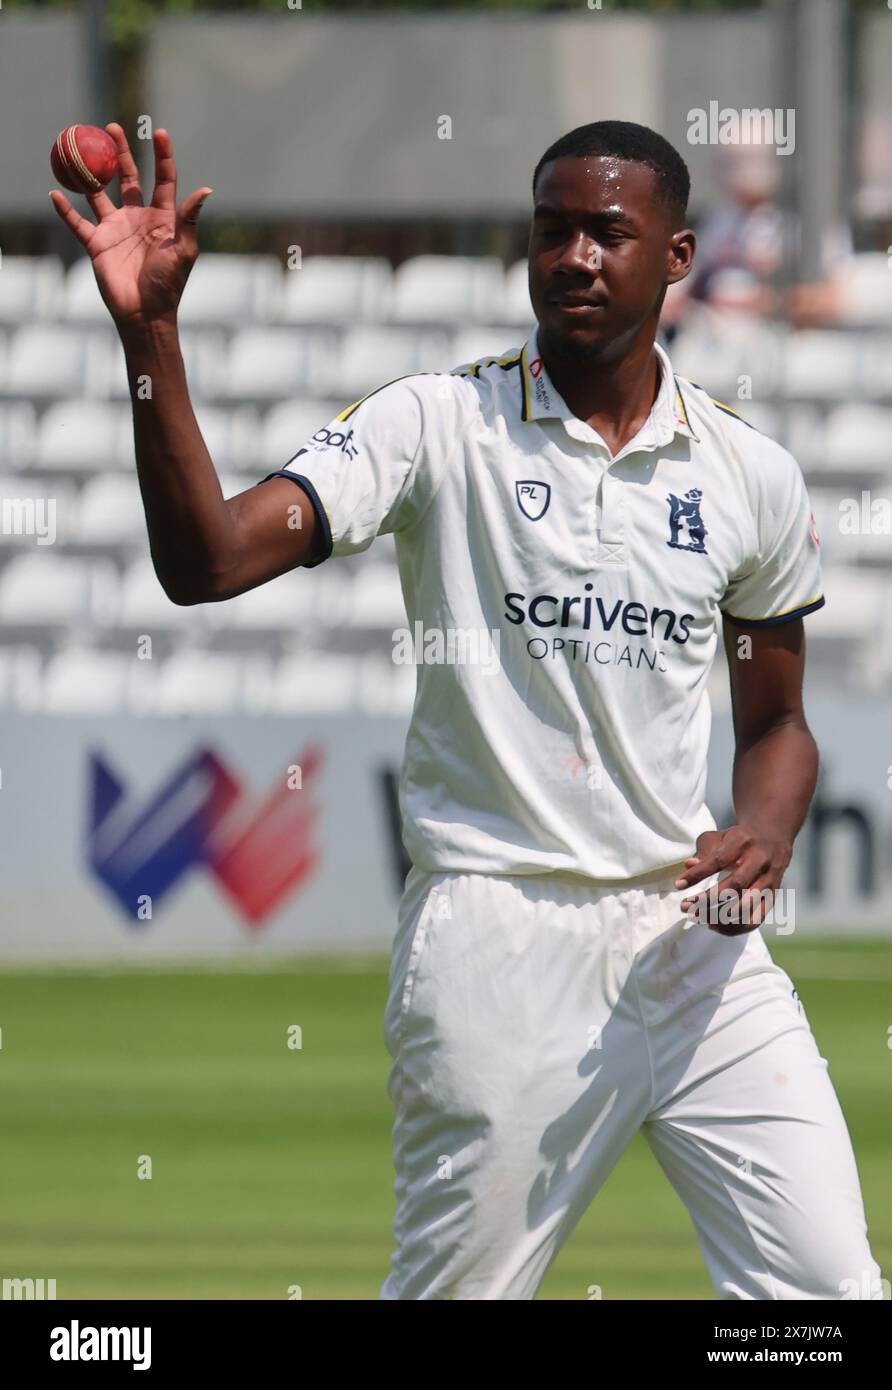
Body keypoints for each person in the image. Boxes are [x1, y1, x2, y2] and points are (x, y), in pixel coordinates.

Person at [51, 118, 883, 1302]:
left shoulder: (748, 474)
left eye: (609, 233)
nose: (576, 257)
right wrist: (152, 336)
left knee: (833, 1298)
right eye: (553, 232)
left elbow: (776, 726)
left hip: (695, 949)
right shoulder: (435, 423)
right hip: (500, 937)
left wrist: (767, 828)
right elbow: (209, 561)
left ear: (679, 257)